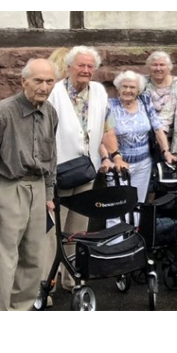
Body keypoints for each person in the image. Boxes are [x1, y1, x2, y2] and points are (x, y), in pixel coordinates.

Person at [0, 58, 59, 310]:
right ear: (23, 81)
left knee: (33, 259)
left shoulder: (50, 112)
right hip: (7, 190)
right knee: (3, 261)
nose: (44, 86)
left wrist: (49, 192)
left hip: (38, 190)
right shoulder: (1, 114)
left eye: (49, 81)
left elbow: (51, 156)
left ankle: (21, 311)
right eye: (38, 80)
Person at [48, 46, 129, 291]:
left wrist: (113, 155)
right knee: (52, 229)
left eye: (90, 66)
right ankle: (46, 282)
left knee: (77, 228)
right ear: (69, 67)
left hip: (86, 170)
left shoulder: (99, 92)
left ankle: (70, 276)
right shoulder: (53, 93)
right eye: (80, 65)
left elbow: (106, 127)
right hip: (58, 170)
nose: (85, 70)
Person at [106, 71, 174, 212]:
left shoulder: (145, 101)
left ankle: (134, 233)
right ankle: (116, 234)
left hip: (143, 163)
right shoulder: (110, 106)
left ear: (139, 90)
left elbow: (157, 128)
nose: (128, 90)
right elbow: (106, 134)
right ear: (118, 88)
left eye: (132, 87)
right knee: (117, 205)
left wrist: (166, 151)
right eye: (124, 86)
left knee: (137, 203)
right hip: (119, 164)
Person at [143, 51, 177, 145]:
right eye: (154, 65)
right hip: (148, 137)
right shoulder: (142, 83)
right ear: (149, 67)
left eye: (162, 65)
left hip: (176, 137)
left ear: (169, 67)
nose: (158, 68)